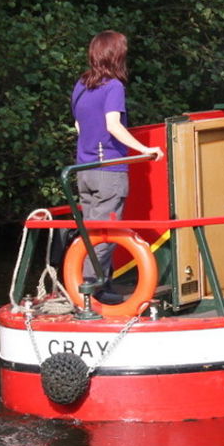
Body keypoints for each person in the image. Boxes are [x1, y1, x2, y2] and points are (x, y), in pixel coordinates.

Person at [70, 30, 163, 294]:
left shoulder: (81, 85)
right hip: (108, 170)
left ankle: (100, 285)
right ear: (117, 56)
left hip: (84, 170)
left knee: (90, 230)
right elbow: (113, 125)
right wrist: (146, 149)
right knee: (105, 234)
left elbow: (78, 125)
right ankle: (91, 291)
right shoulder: (114, 87)